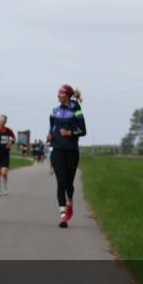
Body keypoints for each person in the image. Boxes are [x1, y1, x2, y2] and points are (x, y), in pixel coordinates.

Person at [47, 85, 86, 228]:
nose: (58, 94)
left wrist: (69, 133)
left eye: (61, 93)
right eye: (58, 92)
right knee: (61, 181)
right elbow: (52, 128)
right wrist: (50, 134)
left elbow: (83, 130)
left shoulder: (76, 109)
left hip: (71, 151)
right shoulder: (54, 111)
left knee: (69, 184)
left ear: (68, 95)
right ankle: (63, 215)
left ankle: (70, 200)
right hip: (57, 150)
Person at [0, 114, 16, 196]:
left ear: (6, 122)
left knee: (4, 172)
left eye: (4, 121)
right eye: (1, 120)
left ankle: (5, 187)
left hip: (5, 154)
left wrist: (10, 142)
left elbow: (14, 138)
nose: (2, 122)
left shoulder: (8, 130)